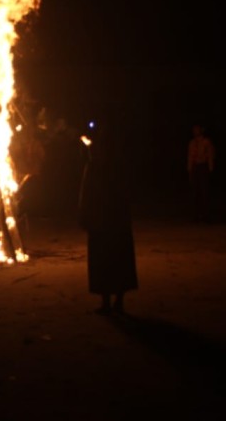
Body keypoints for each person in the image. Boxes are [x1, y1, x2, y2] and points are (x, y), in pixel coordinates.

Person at [78, 111, 138, 315]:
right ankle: (111, 302)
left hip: (108, 218)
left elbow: (89, 192)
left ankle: (114, 301)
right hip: (109, 218)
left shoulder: (102, 165)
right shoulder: (102, 164)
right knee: (109, 258)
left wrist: (85, 215)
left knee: (111, 257)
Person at [187, 123, 216, 223]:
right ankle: (196, 215)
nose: (195, 131)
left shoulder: (206, 142)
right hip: (195, 167)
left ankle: (206, 215)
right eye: (194, 129)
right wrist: (190, 169)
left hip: (203, 166)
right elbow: (190, 157)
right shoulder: (192, 143)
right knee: (195, 192)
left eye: (197, 129)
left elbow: (210, 155)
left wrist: (210, 169)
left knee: (205, 192)